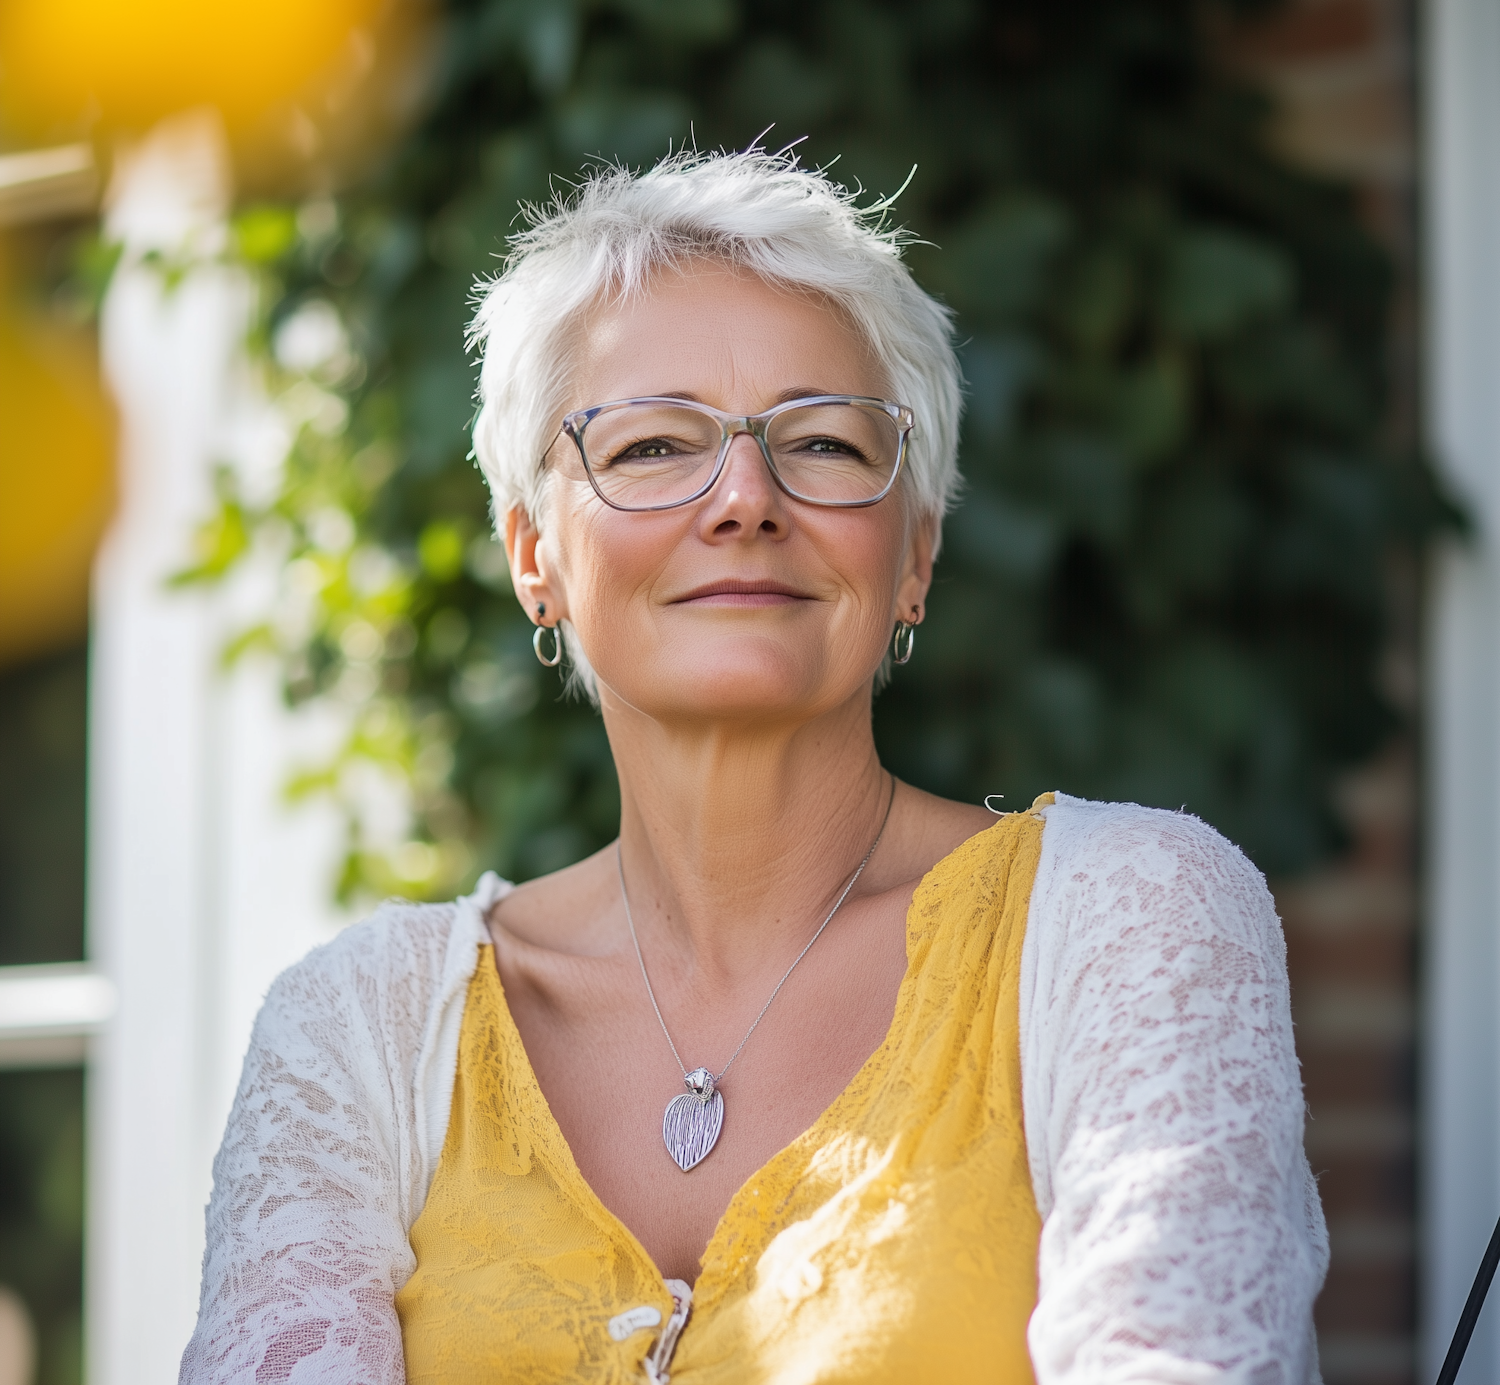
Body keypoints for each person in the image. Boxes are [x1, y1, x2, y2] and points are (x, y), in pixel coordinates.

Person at [179, 149, 1327, 1385]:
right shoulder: (358, 1030)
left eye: (825, 445)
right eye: (653, 446)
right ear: (534, 558)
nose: (743, 499)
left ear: (917, 556)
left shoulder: (1132, 918)